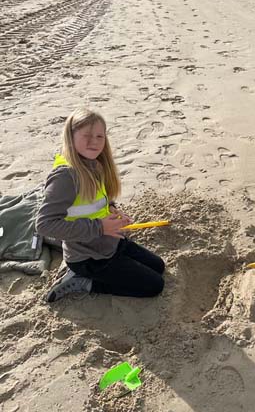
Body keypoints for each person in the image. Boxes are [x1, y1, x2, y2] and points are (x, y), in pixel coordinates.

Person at [36, 108, 165, 302]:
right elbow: (44, 225)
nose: (94, 141)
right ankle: (83, 282)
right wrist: (99, 227)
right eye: (86, 135)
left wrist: (112, 209)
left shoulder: (95, 163)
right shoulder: (65, 176)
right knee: (154, 286)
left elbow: (96, 199)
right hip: (88, 257)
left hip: (110, 242)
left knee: (159, 266)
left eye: (99, 136)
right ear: (70, 136)